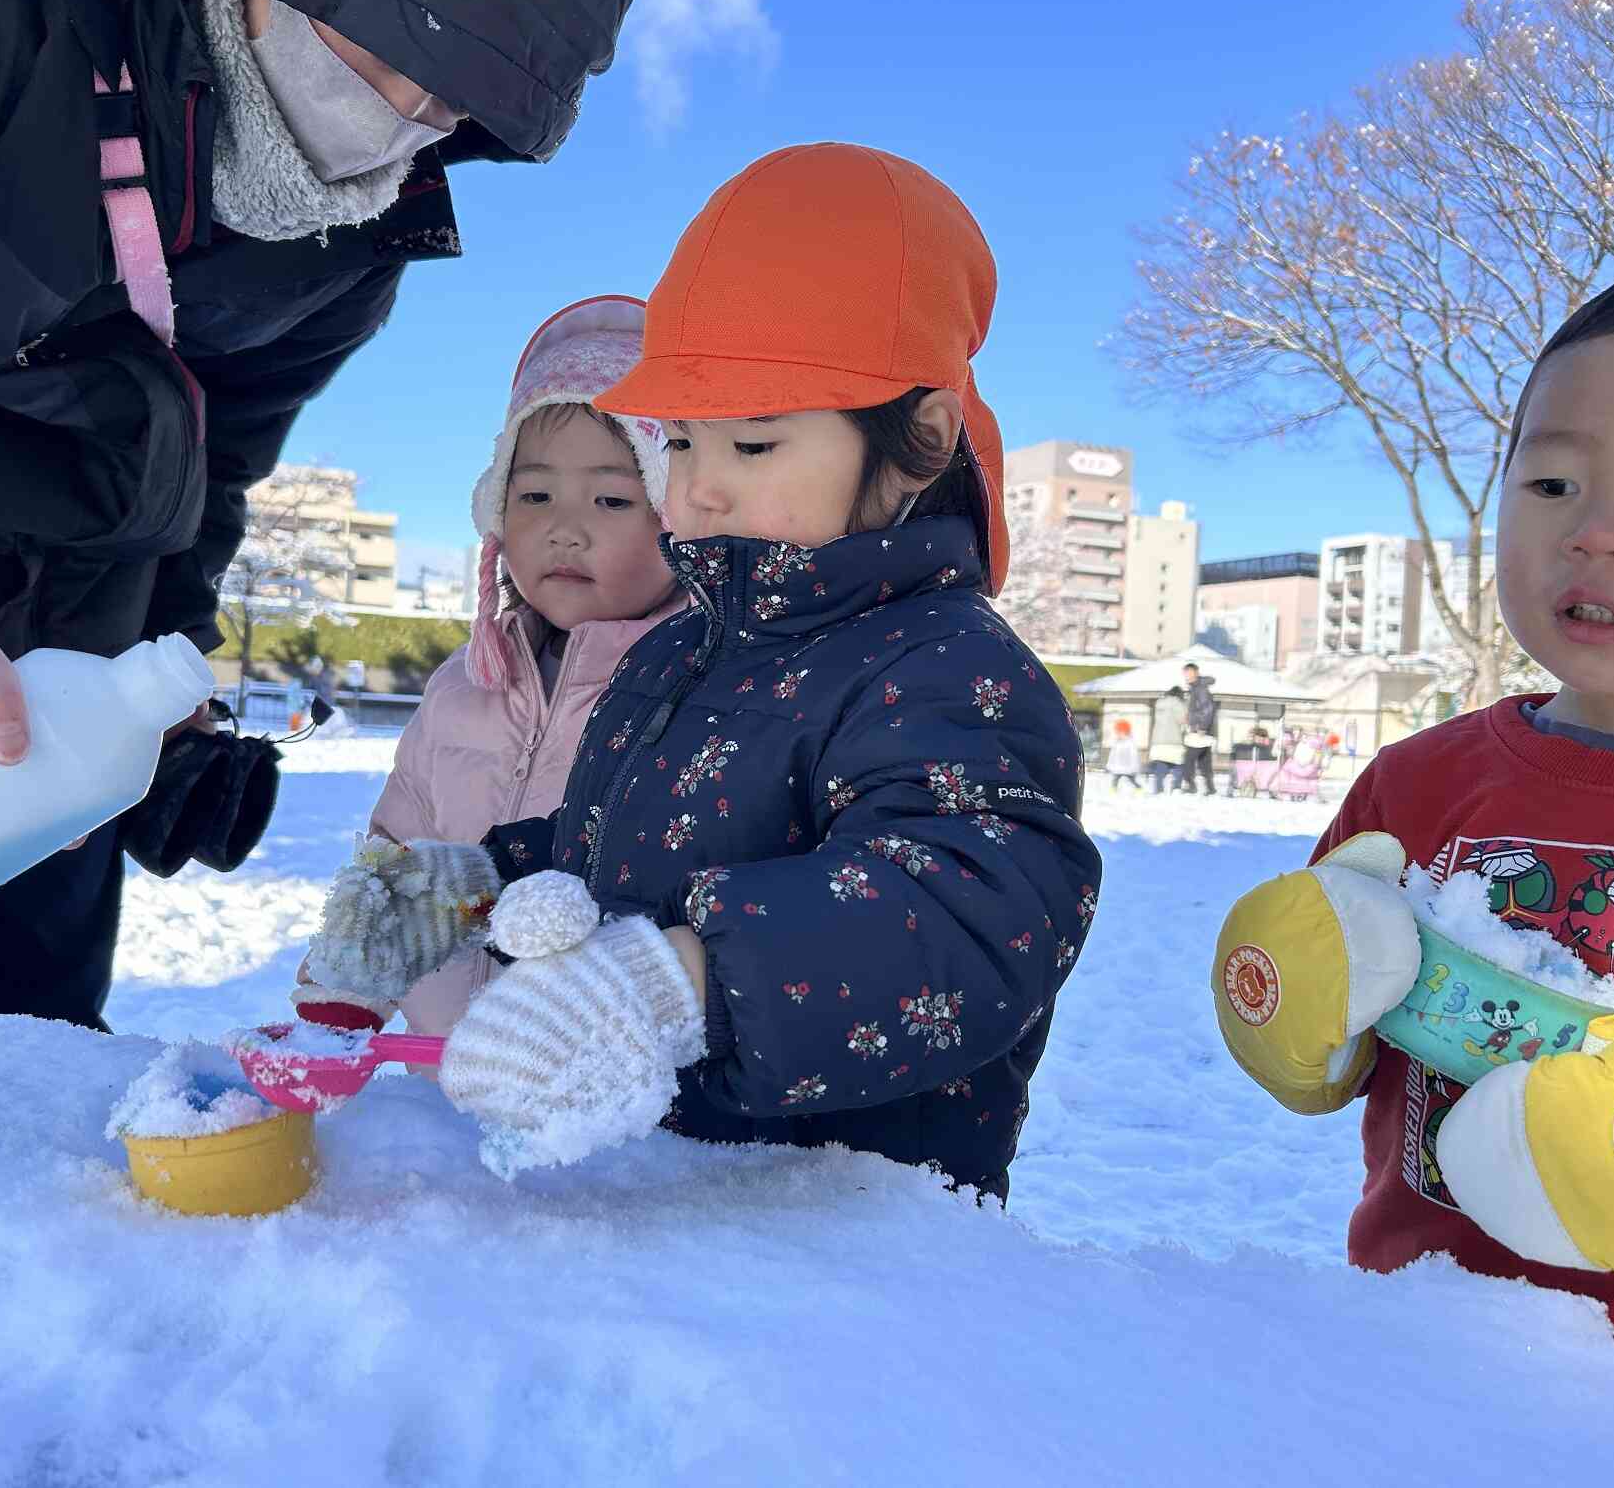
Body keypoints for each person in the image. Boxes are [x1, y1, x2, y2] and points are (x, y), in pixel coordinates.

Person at [0, 0, 635, 1028]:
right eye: (387, 49)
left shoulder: (357, 241)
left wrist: (167, 673)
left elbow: (216, 458)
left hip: (83, 632)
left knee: (33, 1030)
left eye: (462, 94)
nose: (412, 108)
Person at [297, 143, 1105, 1199]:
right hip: (663, 1208)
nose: (698, 496)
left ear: (919, 437)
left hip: (846, 1234)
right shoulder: (684, 649)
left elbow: (970, 908)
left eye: (753, 448)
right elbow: (632, 853)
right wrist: (470, 885)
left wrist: (677, 983)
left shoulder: (947, 669)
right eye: (680, 445)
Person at [1210, 250, 1614, 1340]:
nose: (1592, 531)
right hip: (1425, 1363)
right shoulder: (1418, 783)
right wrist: (1289, 996)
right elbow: (1333, 1042)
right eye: (1549, 484)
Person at [295, 295, 681, 1046]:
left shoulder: (697, 694)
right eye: (534, 494)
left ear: (676, 516)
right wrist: (346, 983)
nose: (563, 528)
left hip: (586, 1099)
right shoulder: (464, 682)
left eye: (611, 497)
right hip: (434, 1077)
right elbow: (397, 849)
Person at [1178, 661, 1218, 795]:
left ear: (1196, 672)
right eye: (1185, 673)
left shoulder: (1200, 688)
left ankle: (1190, 784)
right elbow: (1197, 709)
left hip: (1200, 731)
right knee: (1204, 761)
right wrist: (1188, 717)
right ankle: (1210, 788)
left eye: (1189, 673)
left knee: (1189, 759)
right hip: (1201, 730)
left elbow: (1207, 709)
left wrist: (1203, 726)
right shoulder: (1194, 689)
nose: (1186, 676)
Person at [1148, 686, 1188, 793]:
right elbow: (1183, 720)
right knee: (1178, 766)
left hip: (1157, 741)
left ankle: (1158, 790)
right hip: (1173, 740)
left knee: (1161, 766)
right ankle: (1176, 788)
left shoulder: (1159, 703)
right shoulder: (1178, 704)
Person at [1104, 720, 1143, 793]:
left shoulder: (1130, 743)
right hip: (1118, 766)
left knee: (1131, 779)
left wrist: (1134, 766)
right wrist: (1109, 765)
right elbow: (1112, 755)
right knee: (1115, 778)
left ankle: (1139, 788)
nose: (1119, 734)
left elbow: (1134, 756)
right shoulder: (1117, 743)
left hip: (1128, 767)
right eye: (1118, 732)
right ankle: (1113, 789)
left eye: (1120, 732)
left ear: (1126, 732)